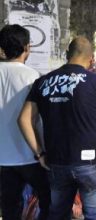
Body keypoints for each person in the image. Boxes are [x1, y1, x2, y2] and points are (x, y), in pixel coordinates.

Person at [18, 36, 96, 219]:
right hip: (91, 163)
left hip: (57, 162)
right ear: (91, 59)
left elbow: (24, 120)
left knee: (57, 214)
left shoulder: (43, 81)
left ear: (67, 54)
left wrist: (39, 153)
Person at [0, 24, 50, 220]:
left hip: (2, 159)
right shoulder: (33, 77)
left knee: (9, 208)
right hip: (31, 155)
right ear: (27, 47)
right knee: (48, 201)